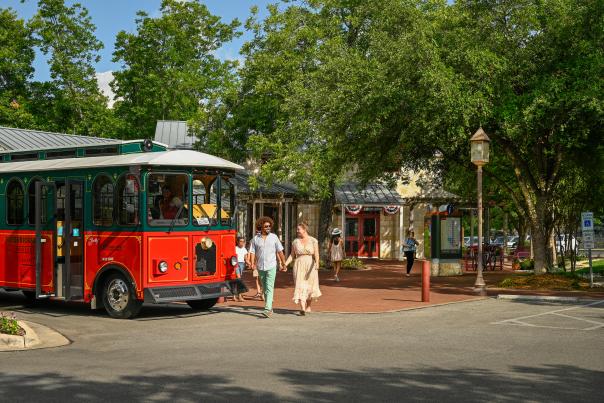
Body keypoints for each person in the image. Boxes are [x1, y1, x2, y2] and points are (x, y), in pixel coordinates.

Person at [249, 216, 286, 318]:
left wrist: (284, 263)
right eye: (266, 226)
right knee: (265, 288)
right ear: (260, 227)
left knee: (269, 287)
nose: (268, 228)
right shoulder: (255, 239)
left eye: (269, 226)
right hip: (260, 267)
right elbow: (252, 252)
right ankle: (269, 308)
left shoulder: (274, 237)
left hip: (271, 266)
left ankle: (267, 309)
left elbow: (280, 251)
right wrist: (252, 263)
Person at [284, 223, 322, 315]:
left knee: (310, 285)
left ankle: (308, 306)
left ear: (304, 230)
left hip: (310, 265)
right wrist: (285, 264)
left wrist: (317, 263)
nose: (297, 231)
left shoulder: (313, 241)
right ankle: (302, 308)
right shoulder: (295, 241)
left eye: (298, 229)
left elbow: (316, 254)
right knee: (300, 285)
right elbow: (292, 255)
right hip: (299, 265)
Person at [233, 236, 248, 302]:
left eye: (243, 241)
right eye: (240, 241)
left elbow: (246, 258)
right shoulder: (235, 248)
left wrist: (250, 263)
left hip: (242, 264)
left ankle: (234, 295)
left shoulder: (244, 249)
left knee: (237, 280)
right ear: (237, 242)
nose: (242, 243)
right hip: (236, 264)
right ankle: (240, 296)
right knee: (239, 279)